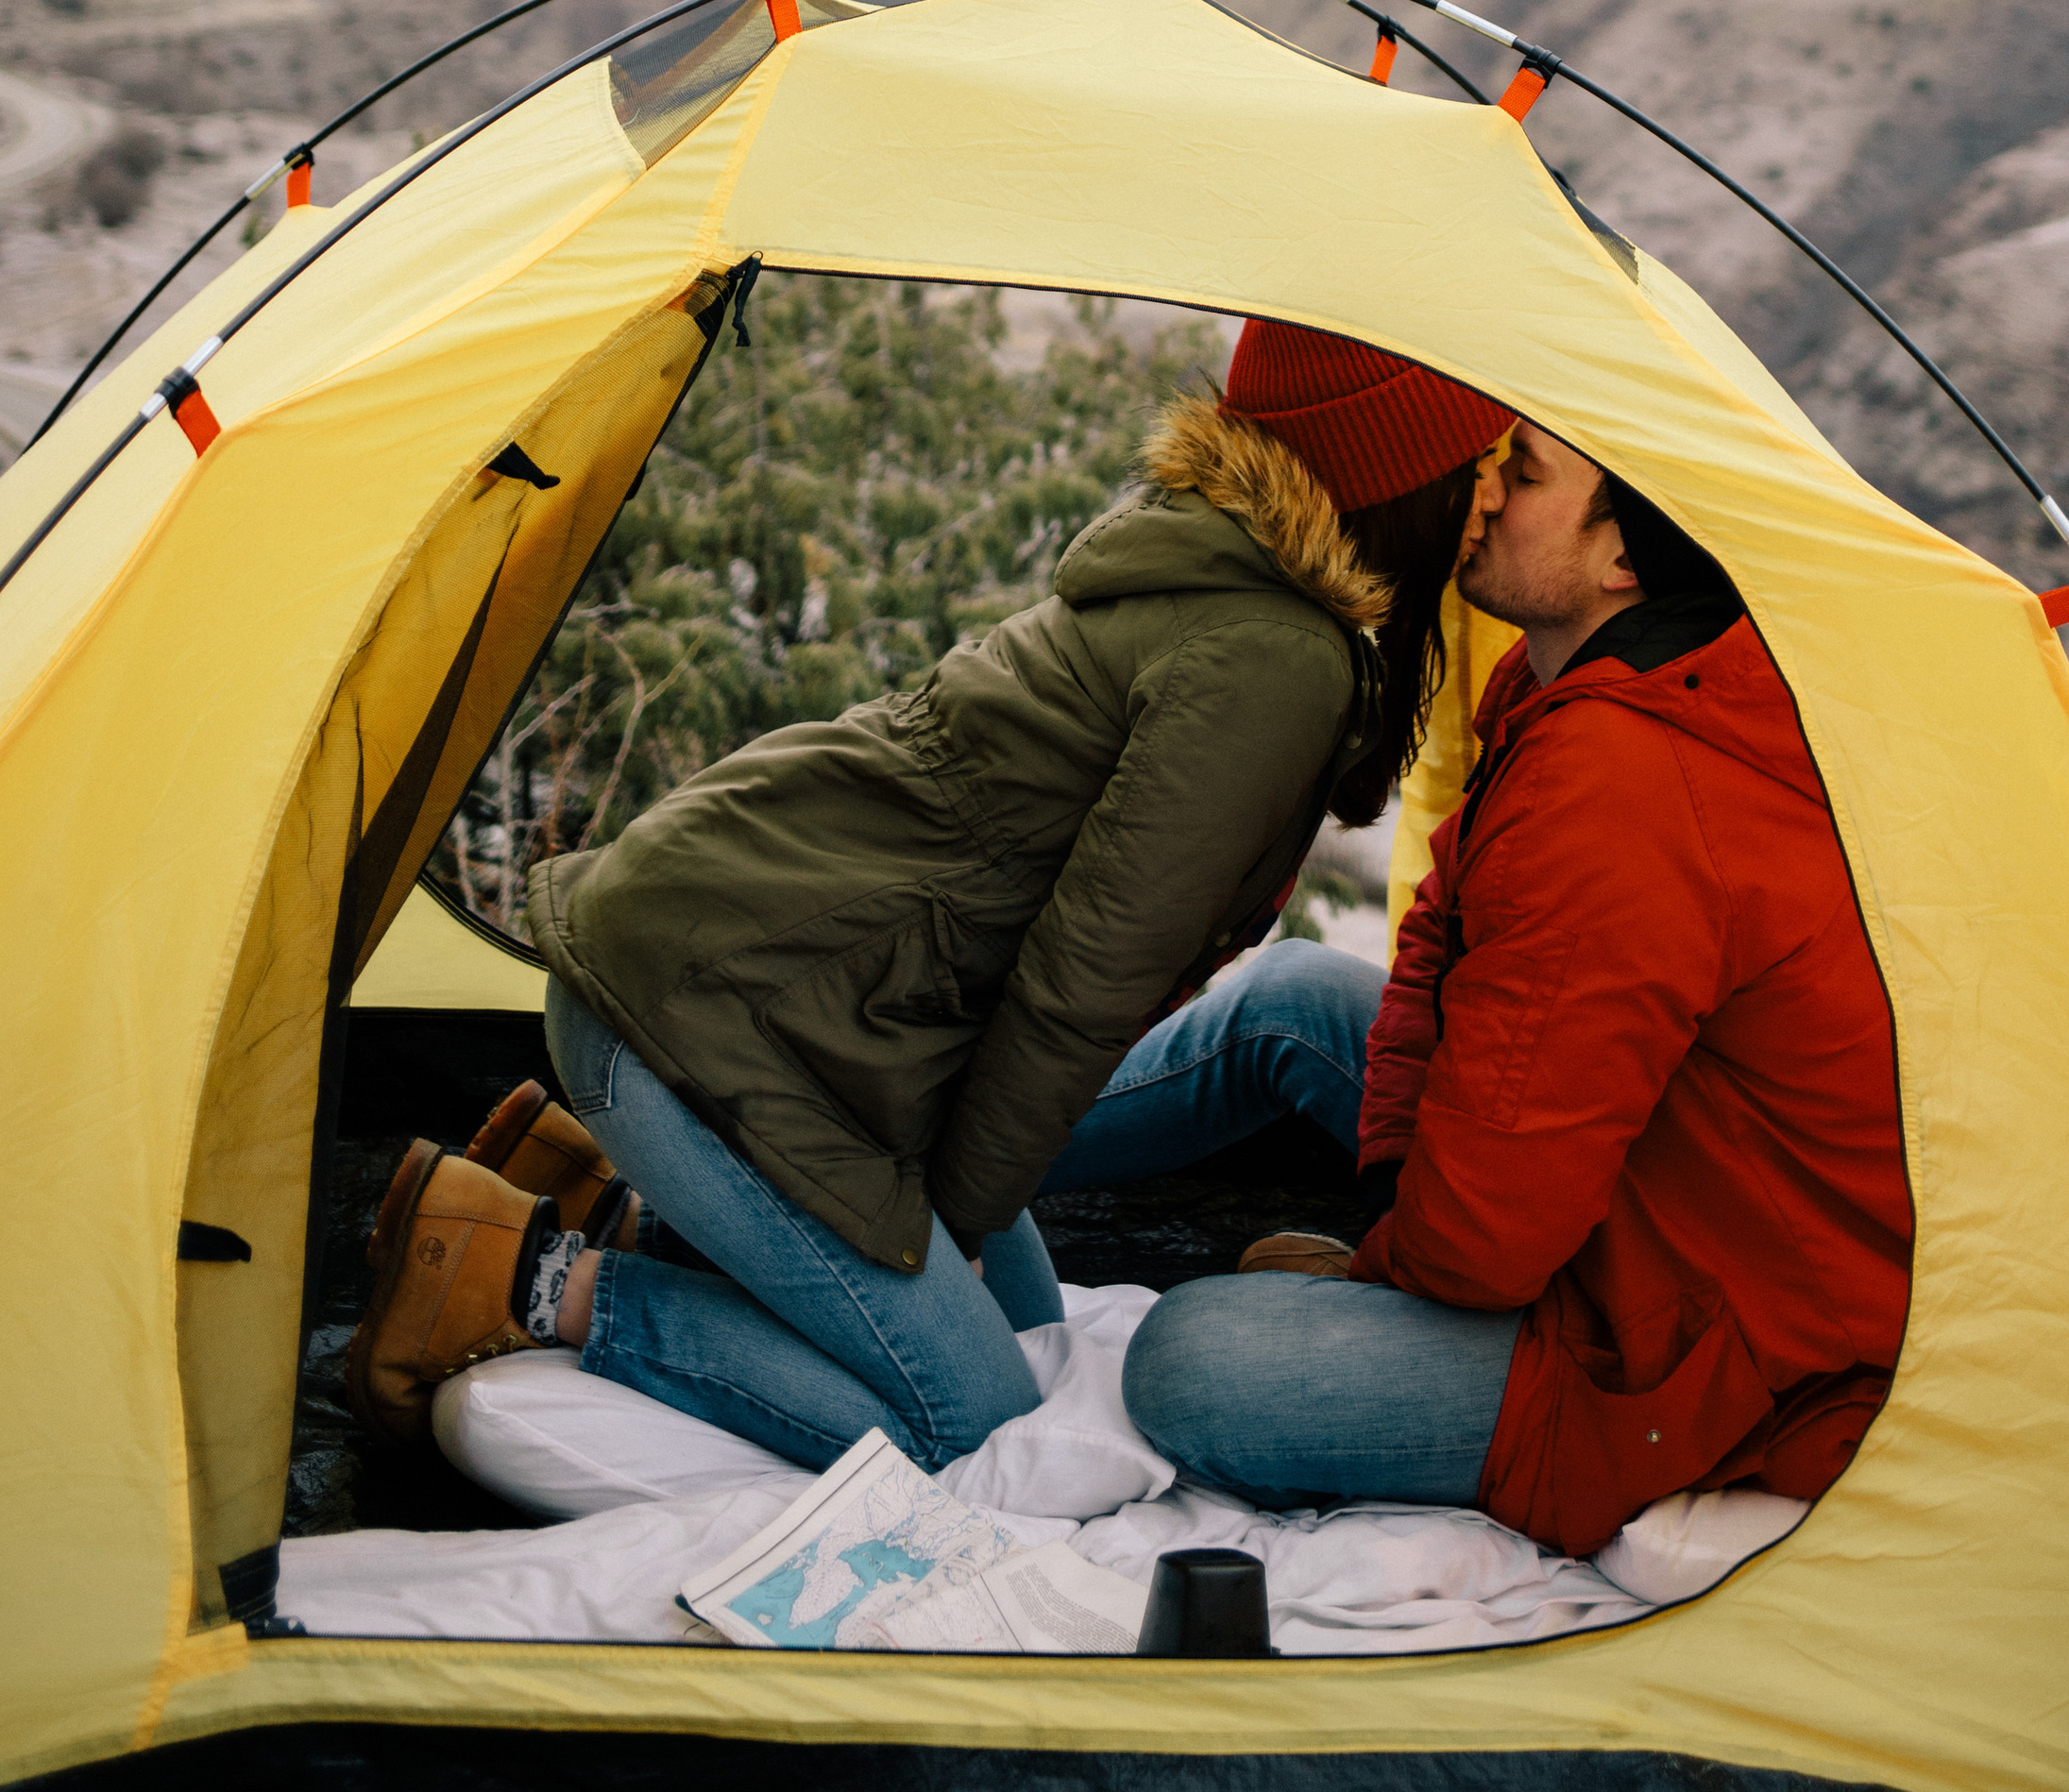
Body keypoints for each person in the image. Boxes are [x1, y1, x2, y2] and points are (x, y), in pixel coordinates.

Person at [346, 319, 1512, 1469]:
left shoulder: (1222, 571)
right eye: (1479, 470)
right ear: (1397, 478)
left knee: (1027, 1335)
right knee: (971, 1420)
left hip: (781, 1010)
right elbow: (1079, 988)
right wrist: (947, 1223)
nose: (1495, 499)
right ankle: (516, 1272)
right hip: (706, 1023)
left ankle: (625, 1210)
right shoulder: (1270, 657)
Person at [1119, 415, 1916, 1556]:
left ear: (1621, 561)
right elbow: (1440, 936)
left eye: (1523, 475)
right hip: (1641, 1185)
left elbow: (1484, 1245)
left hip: (1708, 1345)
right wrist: (1398, 1179)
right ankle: (958, 1151)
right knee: (1293, 991)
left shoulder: (1624, 775)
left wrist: (1386, 1276)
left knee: (1193, 1361)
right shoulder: (1575, 684)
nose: (1480, 490)